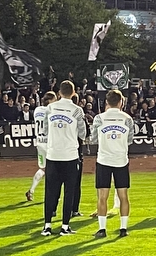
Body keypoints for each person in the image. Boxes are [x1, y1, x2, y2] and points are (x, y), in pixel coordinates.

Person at [41, 81, 86, 236]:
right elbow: (83, 133)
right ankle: (64, 226)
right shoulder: (77, 110)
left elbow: (45, 131)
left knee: (50, 192)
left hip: (53, 155)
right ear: (73, 93)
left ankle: (47, 226)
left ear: (59, 92)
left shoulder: (50, 108)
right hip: (70, 156)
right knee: (69, 192)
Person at [90, 90, 134, 238]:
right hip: (121, 160)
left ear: (107, 103)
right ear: (121, 102)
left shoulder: (99, 118)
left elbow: (93, 139)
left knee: (102, 196)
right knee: (123, 196)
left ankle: (102, 229)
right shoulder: (127, 119)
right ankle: (123, 229)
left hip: (104, 160)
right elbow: (130, 139)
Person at [27, 92, 56, 202]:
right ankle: (50, 194)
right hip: (49, 143)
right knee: (53, 169)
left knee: (43, 168)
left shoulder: (37, 110)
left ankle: (31, 190)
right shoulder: (50, 111)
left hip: (39, 141)